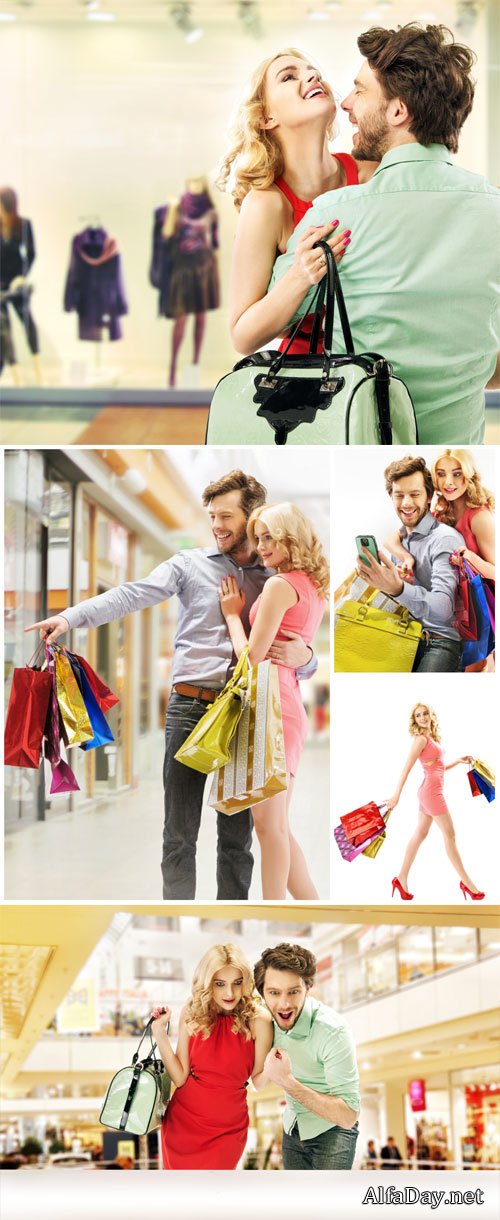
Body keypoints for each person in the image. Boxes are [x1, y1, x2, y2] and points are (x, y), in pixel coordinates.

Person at [24, 470, 316, 901]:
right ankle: (179, 911)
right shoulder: (188, 565)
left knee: (237, 839)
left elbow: (294, 644)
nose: (217, 525)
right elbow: (129, 595)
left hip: (245, 712)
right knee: (179, 832)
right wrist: (69, 617)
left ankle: (231, 919)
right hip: (190, 706)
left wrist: (308, 659)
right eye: (212, 516)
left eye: (227, 516)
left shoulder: (272, 574)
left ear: (253, 516)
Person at [268, 23, 500, 443]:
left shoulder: (332, 216)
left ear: (397, 112)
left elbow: (274, 318)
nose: (346, 104)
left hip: (354, 444)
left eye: (360, 90)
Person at [217, 48, 378, 357]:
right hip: (311, 386)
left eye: (312, 71)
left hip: (381, 371)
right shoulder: (266, 205)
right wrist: (300, 276)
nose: (311, 75)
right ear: (266, 117)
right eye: (289, 76)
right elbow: (242, 337)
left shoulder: (371, 175)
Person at [218, 502, 328, 899]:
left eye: (268, 537)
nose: (261, 546)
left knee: (268, 826)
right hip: (285, 702)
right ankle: (309, 904)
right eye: (258, 537)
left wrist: (233, 615)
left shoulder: (281, 585)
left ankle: (274, 908)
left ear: (290, 538)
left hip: (272, 705)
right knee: (276, 824)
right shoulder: (312, 586)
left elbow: (253, 655)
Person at [151, 944, 272, 1170]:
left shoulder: (259, 1019)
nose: (230, 993)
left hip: (229, 1129)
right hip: (183, 1124)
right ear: (208, 983)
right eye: (220, 984)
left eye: (237, 983)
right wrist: (159, 1032)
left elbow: (259, 1081)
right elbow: (179, 1077)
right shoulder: (192, 1011)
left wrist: (279, 1067)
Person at [254, 943, 359, 1170]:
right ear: (262, 993)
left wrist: (286, 1082)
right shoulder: (265, 1023)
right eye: (274, 992)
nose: (284, 1004)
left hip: (333, 1130)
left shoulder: (333, 1031)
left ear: (308, 988)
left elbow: (349, 1116)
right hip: (293, 1128)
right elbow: (259, 1082)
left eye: (293, 991)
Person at [390, 448, 495, 672]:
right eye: (441, 473)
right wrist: (406, 556)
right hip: (453, 610)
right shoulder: (441, 511)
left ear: (469, 475)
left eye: (457, 473)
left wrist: (470, 557)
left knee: (479, 667)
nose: (449, 482)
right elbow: (392, 539)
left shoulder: (479, 517)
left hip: (476, 609)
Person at [356, 456, 463, 672]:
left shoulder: (444, 539)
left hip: (439, 641)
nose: (406, 503)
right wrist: (378, 581)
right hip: (403, 635)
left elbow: (443, 608)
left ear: (429, 496)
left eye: (414, 494)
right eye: (399, 495)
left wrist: (398, 588)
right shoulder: (401, 540)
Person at [388, 702, 485, 902]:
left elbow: (437, 767)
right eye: (418, 716)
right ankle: (468, 883)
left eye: (425, 714)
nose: (422, 718)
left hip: (429, 791)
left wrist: (457, 761)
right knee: (450, 835)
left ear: (431, 716)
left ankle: (401, 878)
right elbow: (406, 768)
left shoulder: (431, 738)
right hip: (432, 794)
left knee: (420, 834)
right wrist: (396, 795)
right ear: (414, 720)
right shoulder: (420, 740)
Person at [0, 186, 41, 383]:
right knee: (3, 330)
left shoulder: (23, 225)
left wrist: (22, 276)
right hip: (0, 285)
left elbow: (31, 253)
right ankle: (16, 375)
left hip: (16, 282)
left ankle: (38, 369)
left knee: (28, 323)